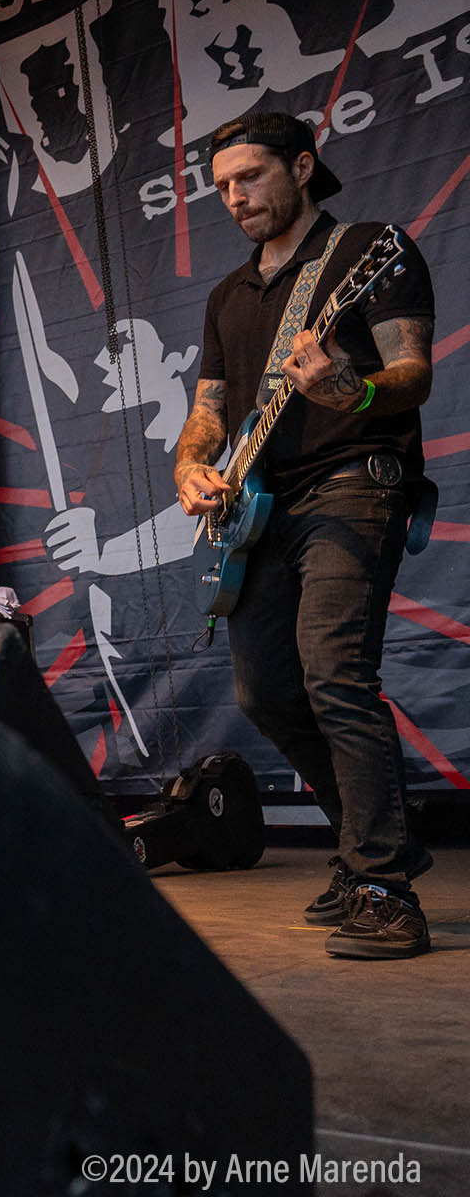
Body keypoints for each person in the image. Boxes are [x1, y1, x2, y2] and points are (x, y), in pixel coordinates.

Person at [175, 111, 436, 959]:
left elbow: (412, 374)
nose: (234, 196)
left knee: (335, 673)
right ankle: (376, 842)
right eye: (222, 186)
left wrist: (353, 390)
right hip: (259, 509)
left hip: (353, 483)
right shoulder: (227, 296)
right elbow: (209, 413)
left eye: (249, 176)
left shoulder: (367, 251)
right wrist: (191, 465)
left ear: (301, 165)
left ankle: (385, 889)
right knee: (265, 692)